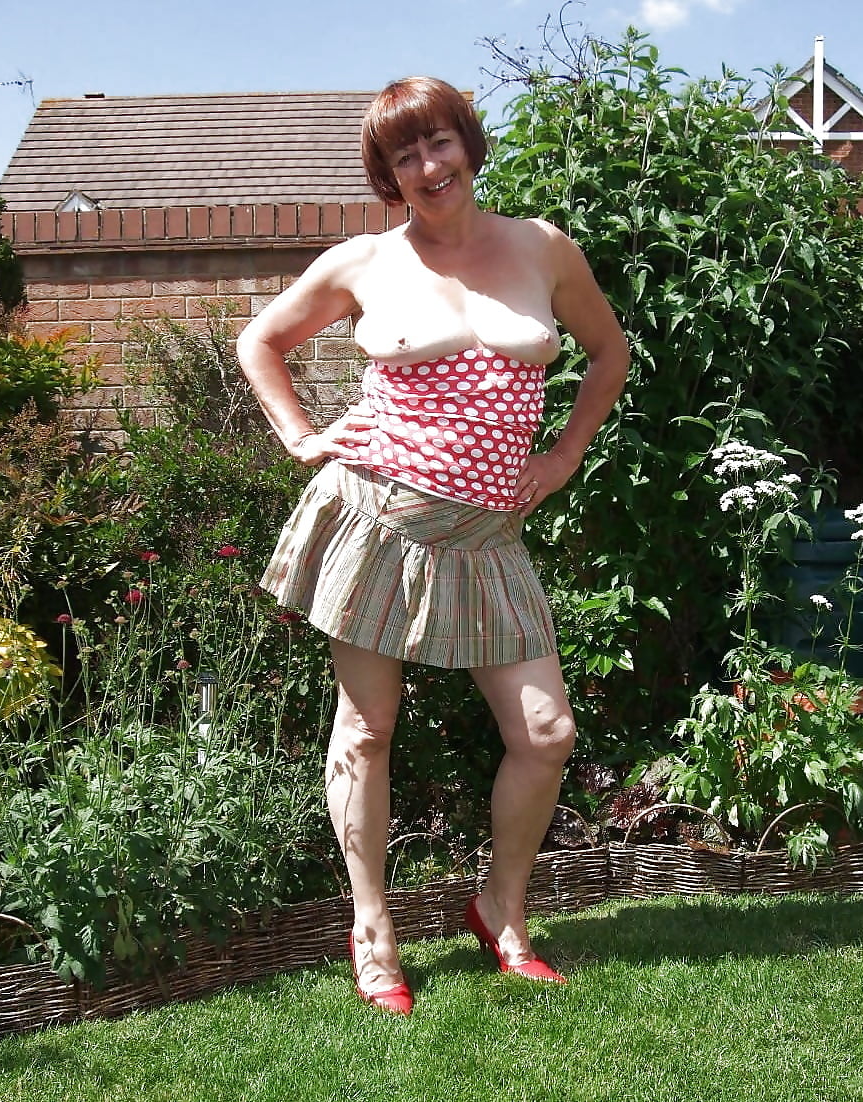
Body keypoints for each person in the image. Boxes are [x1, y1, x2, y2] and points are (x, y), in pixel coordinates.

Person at [237, 76, 629, 1016]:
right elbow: (261, 342)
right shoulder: (366, 262)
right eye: (404, 155)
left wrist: (564, 454)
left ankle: (500, 910)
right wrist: (301, 435)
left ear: (467, 144)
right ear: (389, 175)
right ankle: (372, 927)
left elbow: (608, 353)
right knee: (367, 729)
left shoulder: (543, 248)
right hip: (379, 522)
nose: (428, 166)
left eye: (439, 142)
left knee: (545, 733)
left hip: (489, 538)